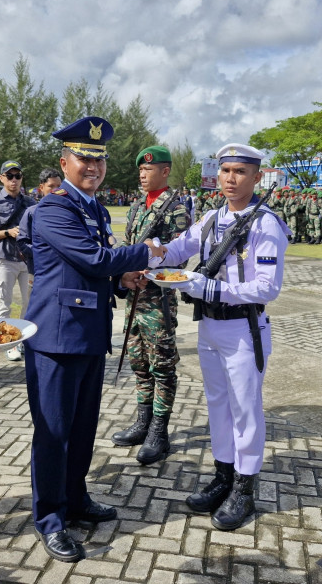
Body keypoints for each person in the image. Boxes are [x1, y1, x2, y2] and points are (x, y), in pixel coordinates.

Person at [23, 116, 164, 562]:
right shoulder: (54, 208)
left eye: (99, 160)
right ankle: (50, 519)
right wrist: (147, 251)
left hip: (88, 335)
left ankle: (76, 499)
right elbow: (91, 256)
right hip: (55, 338)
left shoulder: (95, 209)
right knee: (53, 433)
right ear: (65, 161)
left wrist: (123, 282)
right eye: (84, 158)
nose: (93, 167)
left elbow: (92, 272)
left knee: (81, 430)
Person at [158, 143, 287, 531]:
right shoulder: (213, 218)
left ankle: (245, 489)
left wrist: (209, 289)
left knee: (245, 409)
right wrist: (150, 255)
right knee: (217, 405)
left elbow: (267, 287)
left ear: (256, 177)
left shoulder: (265, 224)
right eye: (226, 171)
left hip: (244, 329)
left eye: (240, 172)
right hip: (210, 326)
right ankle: (223, 476)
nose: (231, 179)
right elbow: (179, 247)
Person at [111, 145, 188, 464]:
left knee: (163, 366)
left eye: (149, 169)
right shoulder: (137, 205)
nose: (142, 174)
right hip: (135, 297)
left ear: (165, 171)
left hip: (159, 301)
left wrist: (151, 269)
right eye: (140, 170)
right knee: (139, 362)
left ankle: (160, 431)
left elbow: (181, 253)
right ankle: (143, 422)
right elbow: (130, 244)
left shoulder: (176, 207)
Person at [0, 160, 35, 361]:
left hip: (27, 260)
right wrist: (6, 232)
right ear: (1, 178)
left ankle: (26, 341)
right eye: (9, 176)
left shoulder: (30, 202)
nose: (14, 180)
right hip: (4, 258)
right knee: (4, 302)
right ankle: (8, 343)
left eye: (17, 176)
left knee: (30, 303)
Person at [16, 168, 63, 275]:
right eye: (51, 186)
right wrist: (46, 253)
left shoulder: (70, 212)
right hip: (40, 272)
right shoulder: (32, 213)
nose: (56, 190)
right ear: (41, 187)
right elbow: (22, 243)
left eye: (59, 186)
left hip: (63, 273)